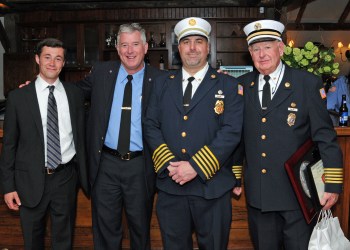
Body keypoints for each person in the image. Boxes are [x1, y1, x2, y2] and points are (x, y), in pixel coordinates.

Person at [235, 19, 344, 250]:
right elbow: (238, 136)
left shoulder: (306, 83)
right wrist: (236, 176)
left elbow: (325, 136)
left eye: (267, 46)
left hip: (298, 195)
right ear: (249, 53)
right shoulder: (242, 85)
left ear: (281, 48)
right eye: (255, 48)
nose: (261, 54)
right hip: (260, 196)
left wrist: (332, 184)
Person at [144, 17, 244, 250]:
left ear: (208, 47)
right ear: (178, 49)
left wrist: (195, 167)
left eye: (198, 41)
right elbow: (150, 125)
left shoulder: (228, 85)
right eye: (186, 42)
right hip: (171, 187)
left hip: (212, 189)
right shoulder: (162, 83)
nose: (192, 47)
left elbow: (231, 132)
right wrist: (170, 164)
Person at [75, 23, 163, 250]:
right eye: (124, 45)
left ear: (145, 47)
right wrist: (43, 85)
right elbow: (72, 93)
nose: (130, 50)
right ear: (117, 48)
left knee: (140, 230)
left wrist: (222, 82)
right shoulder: (102, 73)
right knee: (105, 231)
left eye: (135, 44)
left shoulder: (161, 80)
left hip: (141, 166)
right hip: (105, 165)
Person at [0, 38, 90, 249]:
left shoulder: (75, 95)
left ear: (63, 63)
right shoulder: (18, 97)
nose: (52, 63)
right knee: (32, 240)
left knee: (63, 240)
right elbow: (9, 145)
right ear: (37, 59)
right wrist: (8, 187)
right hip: (29, 180)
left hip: (66, 178)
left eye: (58, 58)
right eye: (47, 57)